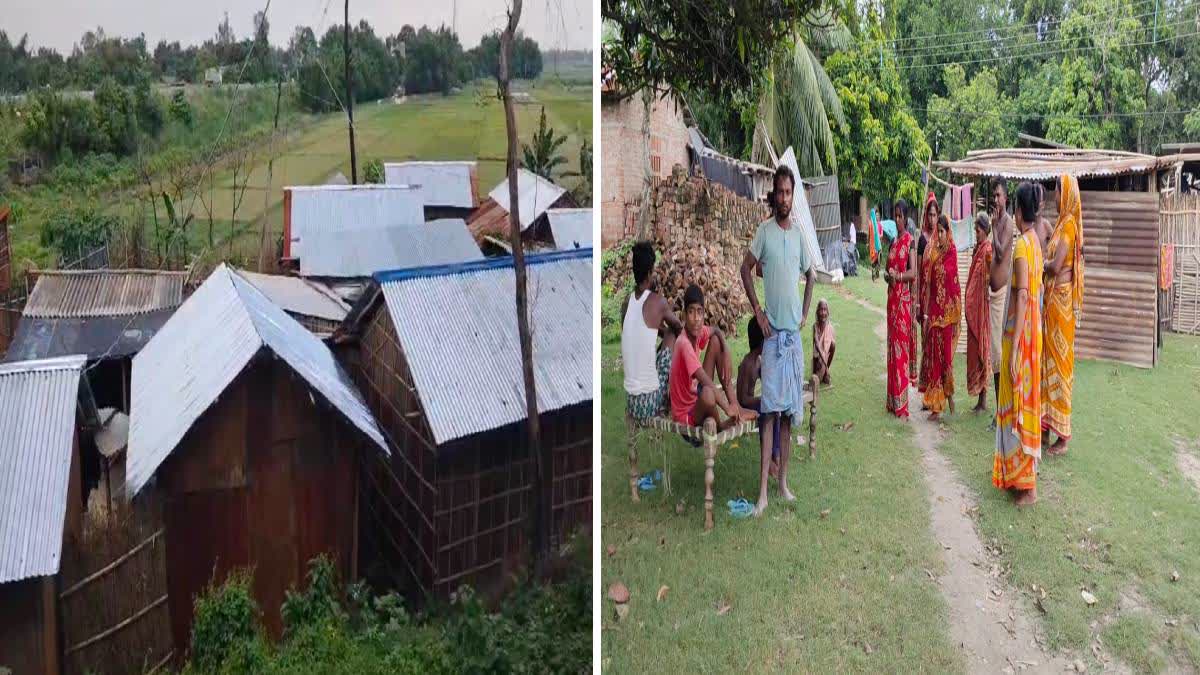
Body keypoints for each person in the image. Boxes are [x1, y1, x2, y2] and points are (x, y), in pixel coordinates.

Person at [740, 164, 815, 517]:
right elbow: (746, 268)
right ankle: (763, 494)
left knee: (786, 415)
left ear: (792, 196)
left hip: (792, 339)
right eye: (779, 192)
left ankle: (783, 482)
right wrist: (757, 310)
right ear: (773, 195)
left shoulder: (799, 235)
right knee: (768, 415)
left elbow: (811, 274)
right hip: (771, 340)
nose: (783, 198)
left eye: (788, 193)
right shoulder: (764, 232)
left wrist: (804, 314)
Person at [993, 182, 1045, 506]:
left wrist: (1014, 348)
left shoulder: (1024, 246)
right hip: (1031, 332)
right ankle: (1018, 477)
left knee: (1020, 406)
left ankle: (1028, 486)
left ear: (1018, 210)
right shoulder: (1035, 241)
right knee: (1021, 404)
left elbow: (1024, 294)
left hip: (1022, 335)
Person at [668, 284, 754, 430]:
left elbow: (715, 331)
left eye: (699, 312)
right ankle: (721, 425)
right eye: (691, 312)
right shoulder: (683, 343)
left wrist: (725, 350)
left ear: (703, 314)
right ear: (684, 315)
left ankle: (737, 407)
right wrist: (726, 408)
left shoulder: (698, 331)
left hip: (695, 397)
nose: (696, 318)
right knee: (708, 393)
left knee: (715, 341)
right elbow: (706, 381)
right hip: (686, 415)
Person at [1042, 174, 1085, 456]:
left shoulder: (1068, 227)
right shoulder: (1061, 225)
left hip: (1061, 307)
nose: (1054, 197)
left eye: (1057, 192)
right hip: (1051, 307)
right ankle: (1047, 424)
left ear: (1065, 193)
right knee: (1048, 364)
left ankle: (1063, 437)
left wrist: (1037, 261)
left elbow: (1057, 266)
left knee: (1060, 365)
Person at [622, 241, 683, 422]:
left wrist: (660, 334)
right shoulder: (658, 302)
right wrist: (667, 335)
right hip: (650, 403)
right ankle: (674, 396)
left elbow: (638, 334)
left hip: (632, 401)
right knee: (673, 334)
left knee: (664, 338)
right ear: (650, 272)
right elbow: (679, 328)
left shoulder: (626, 303)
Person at [922, 214, 962, 420]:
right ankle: (936, 408)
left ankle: (950, 395)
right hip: (936, 314)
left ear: (948, 233)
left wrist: (954, 316)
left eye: (942, 232)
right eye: (938, 231)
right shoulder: (934, 254)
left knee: (946, 358)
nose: (939, 235)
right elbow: (929, 285)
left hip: (948, 315)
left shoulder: (952, 253)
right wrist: (927, 313)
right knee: (936, 359)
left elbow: (953, 284)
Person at [883, 209, 917, 418]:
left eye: (900, 216)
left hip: (903, 304)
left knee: (901, 353)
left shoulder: (909, 241)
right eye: (895, 216)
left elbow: (913, 273)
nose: (897, 220)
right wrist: (889, 276)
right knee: (891, 354)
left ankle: (902, 405)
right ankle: (892, 401)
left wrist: (899, 275)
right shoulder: (894, 243)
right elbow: (888, 271)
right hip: (892, 302)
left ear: (906, 218)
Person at [737, 317, 781, 479]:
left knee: (774, 410)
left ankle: (776, 454)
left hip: (751, 402)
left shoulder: (758, 360)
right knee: (767, 414)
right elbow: (743, 398)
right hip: (744, 406)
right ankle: (769, 458)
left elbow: (768, 382)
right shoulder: (750, 363)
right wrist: (762, 401)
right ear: (762, 340)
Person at [988, 179, 1014, 427]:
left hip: (1003, 296)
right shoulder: (998, 223)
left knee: (999, 356)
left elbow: (999, 252)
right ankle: (999, 410)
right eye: (993, 196)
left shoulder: (1008, 224)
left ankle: (1001, 413)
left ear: (1006, 197)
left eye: (998, 196)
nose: (995, 200)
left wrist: (994, 227)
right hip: (992, 295)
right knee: (995, 357)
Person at [965, 213, 994, 413]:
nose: (976, 234)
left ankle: (983, 402)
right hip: (974, 310)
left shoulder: (987, 251)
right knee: (976, 352)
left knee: (982, 351)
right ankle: (980, 401)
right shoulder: (979, 250)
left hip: (982, 310)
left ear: (985, 230)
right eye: (975, 230)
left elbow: (985, 281)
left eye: (978, 230)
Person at [917, 192, 940, 399]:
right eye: (929, 215)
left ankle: (934, 392)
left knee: (935, 347)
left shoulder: (941, 239)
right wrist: (917, 303)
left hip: (937, 300)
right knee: (926, 345)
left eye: (935, 215)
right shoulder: (922, 239)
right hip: (924, 299)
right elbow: (917, 272)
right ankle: (926, 391)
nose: (932, 219)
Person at [812, 299, 836, 386]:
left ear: (827, 312)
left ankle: (826, 373)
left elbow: (831, 347)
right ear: (818, 312)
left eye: (825, 309)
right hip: (817, 356)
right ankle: (821, 371)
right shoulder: (815, 326)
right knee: (816, 378)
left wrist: (826, 367)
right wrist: (824, 364)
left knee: (833, 344)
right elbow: (817, 346)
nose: (823, 312)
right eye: (821, 309)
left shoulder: (830, 328)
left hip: (825, 356)